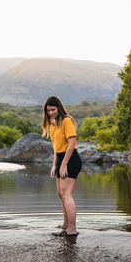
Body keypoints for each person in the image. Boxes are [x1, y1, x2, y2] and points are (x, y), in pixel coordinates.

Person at [43, 96, 82, 237]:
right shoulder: (53, 124)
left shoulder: (67, 121)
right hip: (60, 159)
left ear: (59, 108)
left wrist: (64, 164)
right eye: (48, 111)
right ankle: (66, 224)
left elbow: (71, 143)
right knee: (61, 194)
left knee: (67, 195)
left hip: (70, 159)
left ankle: (72, 229)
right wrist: (55, 165)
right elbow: (56, 148)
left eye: (53, 110)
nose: (51, 113)